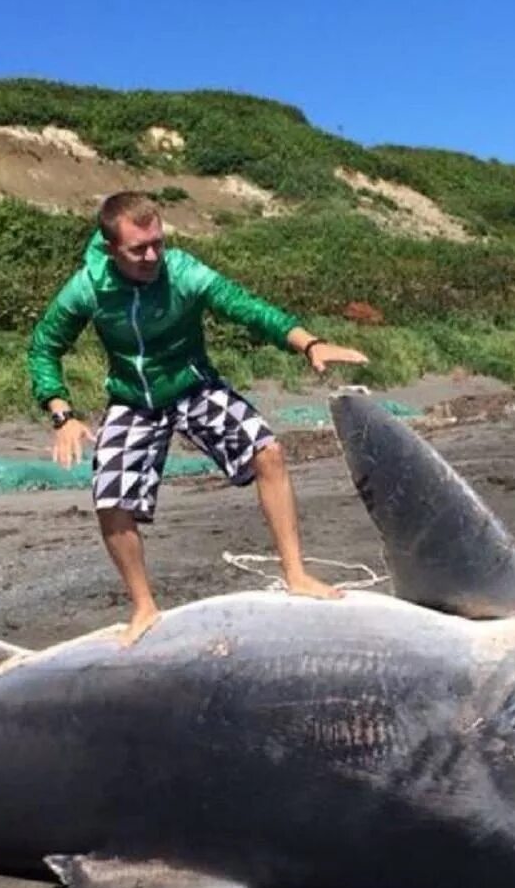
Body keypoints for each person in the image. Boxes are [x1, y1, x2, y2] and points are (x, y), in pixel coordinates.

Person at [28, 191, 369, 646]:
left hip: (192, 386)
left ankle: (296, 575)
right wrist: (61, 412)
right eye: (138, 249)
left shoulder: (184, 272)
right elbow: (44, 347)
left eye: (158, 243)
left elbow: (247, 308)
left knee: (268, 451)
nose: (152, 256)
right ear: (112, 250)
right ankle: (144, 606)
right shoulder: (88, 286)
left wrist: (309, 343)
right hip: (133, 400)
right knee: (110, 498)